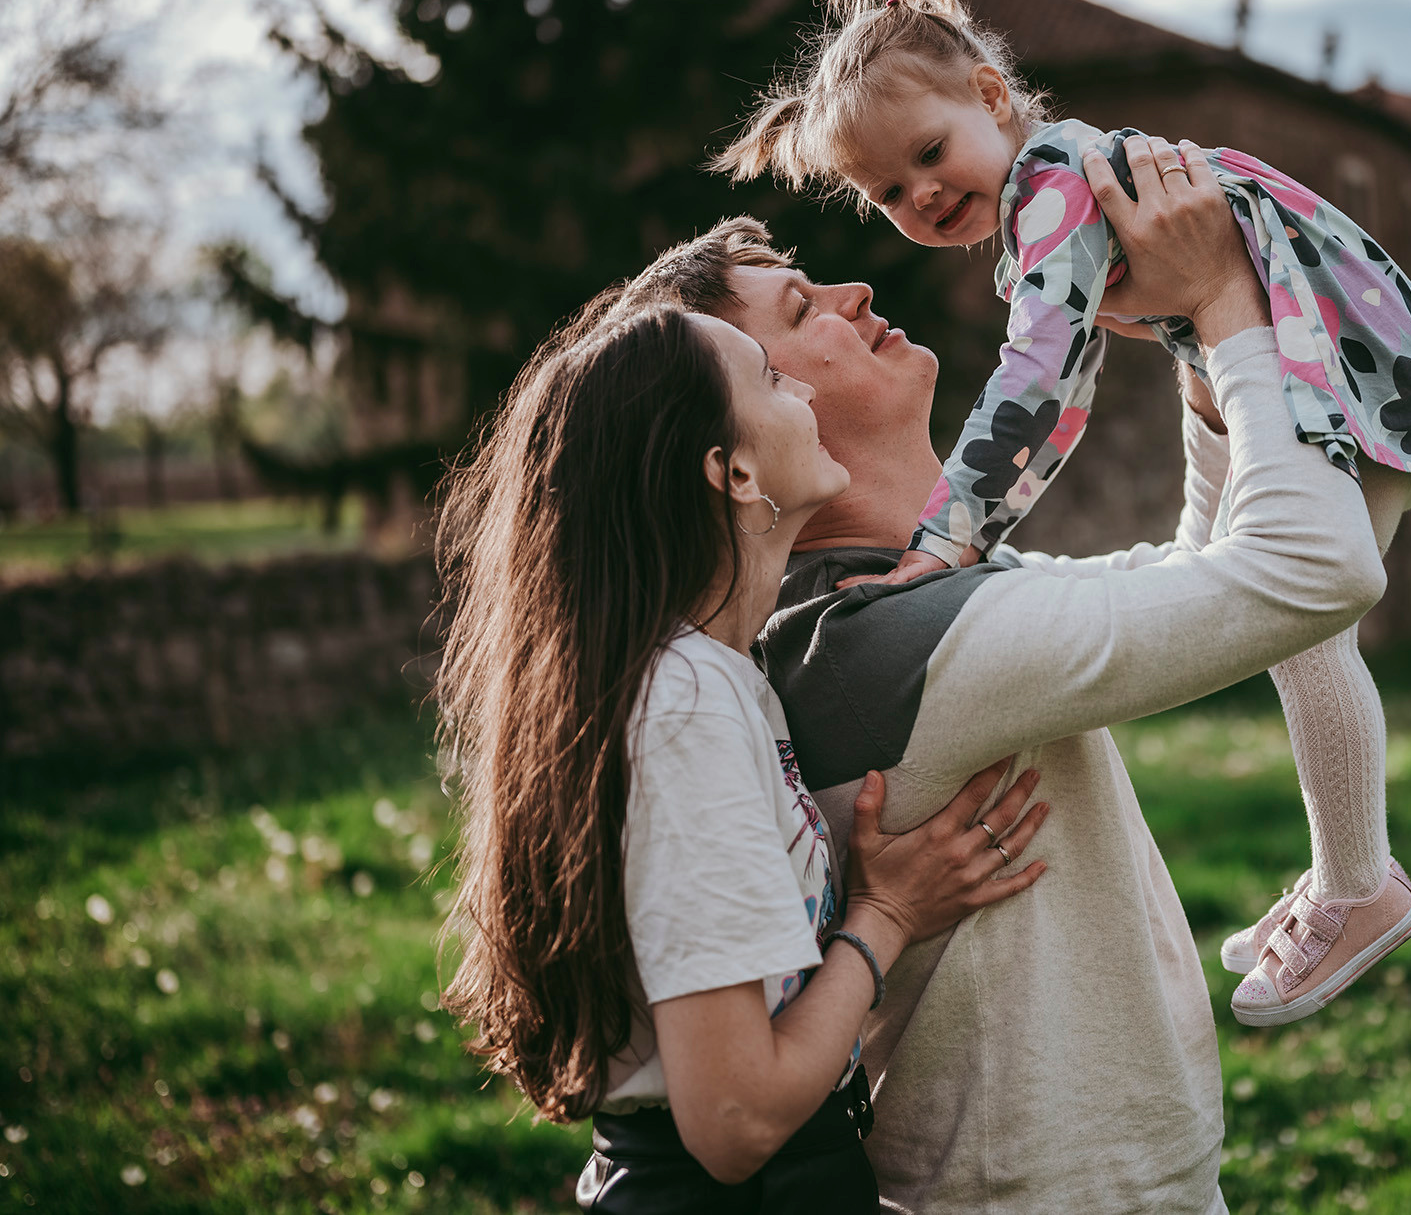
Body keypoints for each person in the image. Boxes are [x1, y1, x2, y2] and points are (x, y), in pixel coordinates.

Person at [617, 129, 1402, 1209]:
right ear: (738, 434)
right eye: (797, 315)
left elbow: (1195, 576)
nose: (851, 289)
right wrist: (1226, 295)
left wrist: (1200, 363)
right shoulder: (881, 641)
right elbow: (1309, 570)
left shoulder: (907, 606)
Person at [714, 0, 1411, 1027]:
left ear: (991, 96)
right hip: (1347, 344)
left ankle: (1357, 883)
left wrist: (948, 534)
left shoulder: (1052, 184)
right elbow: (1061, 403)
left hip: (1337, 350)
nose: (917, 199)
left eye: (927, 154)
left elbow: (1032, 381)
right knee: (1285, 621)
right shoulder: (1048, 205)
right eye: (884, 194)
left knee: (1303, 624)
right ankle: (1346, 872)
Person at [431, 295, 1050, 1212]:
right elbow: (736, 1120)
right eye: (768, 378)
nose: (797, 383)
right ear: (733, 472)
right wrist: (884, 915)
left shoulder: (718, 676)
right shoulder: (685, 704)